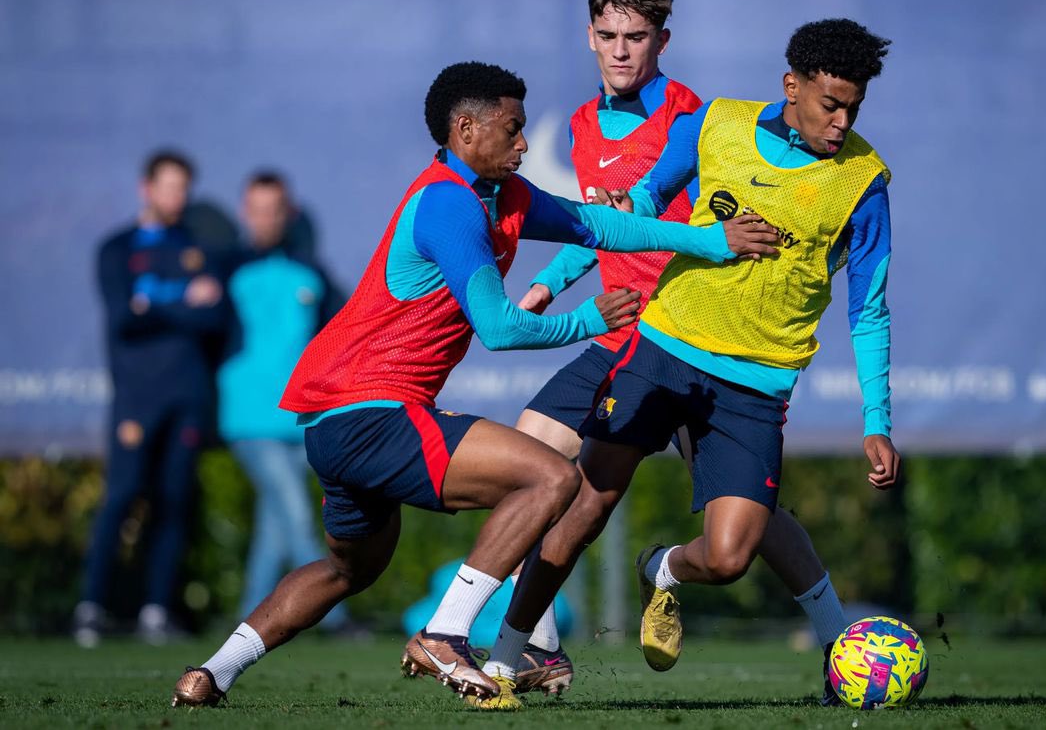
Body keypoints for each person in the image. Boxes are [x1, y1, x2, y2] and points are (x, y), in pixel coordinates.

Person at [170, 61, 777, 707]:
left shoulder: (502, 195)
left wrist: (707, 242)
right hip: (373, 410)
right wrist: (586, 319)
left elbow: (602, 225)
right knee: (551, 477)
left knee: (350, 568)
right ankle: (447, 631)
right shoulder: (448, 204)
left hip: (332, 421)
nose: (523, 145)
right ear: (465, 129)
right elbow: (500, 326)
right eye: (512, 130)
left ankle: (213, 670)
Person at [479, 18, 901, 709]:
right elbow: (647, 200)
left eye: (854, 106)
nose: (842, 121)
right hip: (663, 348)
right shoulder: (717, 124)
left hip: (755, 386)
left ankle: (662, 567)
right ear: (792, 85)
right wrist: (616, 215)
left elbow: (871, 309)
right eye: (831, 103)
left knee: (733, 554)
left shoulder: (864, 180)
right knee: (585, 500)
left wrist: (877, 420)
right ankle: (504, 657)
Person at [76, 150, 228, 648]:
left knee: (173, 502)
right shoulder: (117, 249)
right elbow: (124, 317)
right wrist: (185, 300)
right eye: (168, 186)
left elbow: (214, 319)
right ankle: (91, 607)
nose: (176, 197)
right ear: (147, 188)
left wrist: (157, 305)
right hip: (136, 399)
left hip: (185, 394)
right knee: (121, 499)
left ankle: (156, 610)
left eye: (183, 188)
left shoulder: (196, 248)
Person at [216, 171, 351, 628]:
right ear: (243, 212)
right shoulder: (223, 271)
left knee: (275, 529)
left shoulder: (311, 273)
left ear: (287, 213)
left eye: (274, 209)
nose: (265, 219)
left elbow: (343, 331)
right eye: (256, 209)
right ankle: (336, 619)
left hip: (301, 418)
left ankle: (248, 618)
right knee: (295, 515)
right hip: (251, 420)